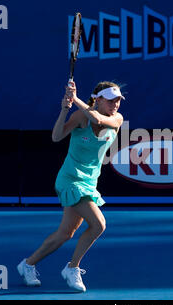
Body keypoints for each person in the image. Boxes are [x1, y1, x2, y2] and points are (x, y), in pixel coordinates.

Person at [17, 80, 124, 292]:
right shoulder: (80, 117)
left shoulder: (117, 119)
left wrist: (74, 99)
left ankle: (27, 264)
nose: (116, 105)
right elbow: (57, 137)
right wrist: (64, 110)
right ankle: (72, 268)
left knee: (65, 234)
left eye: (118, 100)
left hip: (89, 182)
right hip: (70, 180)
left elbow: (98, 118)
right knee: (99, 224)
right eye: (111, 100)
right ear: (98, 99)